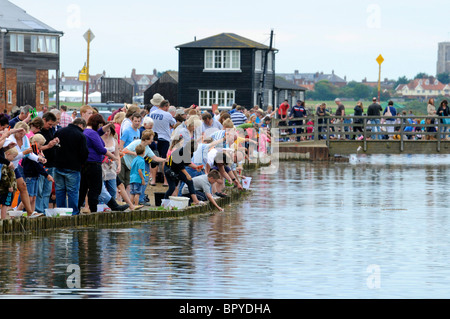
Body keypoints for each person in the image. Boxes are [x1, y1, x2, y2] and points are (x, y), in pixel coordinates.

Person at [79, 114, 119, 213]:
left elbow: (99, 132)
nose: (100, 127)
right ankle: (93, 210)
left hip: (85, 164)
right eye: (100, 125)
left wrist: (109, 125)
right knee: (95, 189)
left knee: (83, 188)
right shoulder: (92, 133)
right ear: (96, 124)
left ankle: (77, 208)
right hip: (93, 164)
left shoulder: (87, 131)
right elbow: (101, 149)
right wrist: (114, 157)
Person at [54, 118, 89, 215]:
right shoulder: (80, 135)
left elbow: (54, 146)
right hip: (73, 167)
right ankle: (73, 213)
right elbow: (84, 153)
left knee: (60, 190)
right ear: (81, 125)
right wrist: (81, 163)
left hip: (58, 165)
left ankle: (61, 212)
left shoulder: (59, 131)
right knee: (72, 192)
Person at [21, 134, 54, 213]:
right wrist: (46, 175)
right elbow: (36, 165)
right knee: (29, 197)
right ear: (35, 142)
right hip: (30, 176)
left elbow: (38, 163)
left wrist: (42, 160)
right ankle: (19, 210)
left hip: (35, 176)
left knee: (34, 197)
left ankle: (32, 212)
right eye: (40, 144)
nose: (41, 146)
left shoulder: (37, 151)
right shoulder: (31, 151)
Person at [164, 140, 202, 205]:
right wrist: (187, 174)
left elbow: (187, 163)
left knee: (190, 181)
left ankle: (196, 201)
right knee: (172, 187)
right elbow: (181, 166)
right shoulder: (181, 152)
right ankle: (164, 202)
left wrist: (196, 167)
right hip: (170, 169)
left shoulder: (190, 152)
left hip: (177, 169)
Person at [35, 112, 59, 215]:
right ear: (43, 119)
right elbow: (36, 149)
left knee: (47, 191)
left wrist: (55, 141)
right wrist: (49, 146)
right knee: (39, 190)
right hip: (43, 165)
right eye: (49, 124)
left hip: (52, 164)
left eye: (52, 125)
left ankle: (44, 211)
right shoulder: (38, 132)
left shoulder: (50, 130)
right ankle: (39, 210)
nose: (50, 126)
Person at [148, 100, 176, 187]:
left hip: (154, 138)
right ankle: (165, 181)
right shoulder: (167, 114)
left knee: (154, 158)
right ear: (166, 106)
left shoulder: (152, 113)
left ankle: (153, 180)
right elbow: (174, 124)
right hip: (164, 138)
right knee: (164, 159)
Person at [0, 148, 18, 220]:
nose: (14, 159)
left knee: (6, 204)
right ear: (8, 154)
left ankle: (3, 218)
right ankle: (3, 218)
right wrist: (9, 186)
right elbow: (5, 176)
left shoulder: (8, 164)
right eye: (13, 157)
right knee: (5, 204)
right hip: (5, 189)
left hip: (7, 188)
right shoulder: (5, 164)